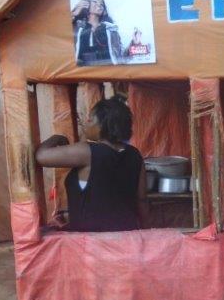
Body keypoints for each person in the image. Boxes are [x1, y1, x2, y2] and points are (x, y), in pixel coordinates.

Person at [35, 96, 148, 232]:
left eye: (90, 119)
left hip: (92, 243)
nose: (86, 123)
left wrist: (57, 137)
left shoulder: (87, 152)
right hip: (127, 235)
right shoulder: (135, 154)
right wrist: (144, 231)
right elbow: (141, 200)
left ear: (103, 124)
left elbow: (41, 156)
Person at [71, 0, 123, 65]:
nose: (99, 5)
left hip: (108, 70)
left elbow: (119, 53)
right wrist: (75, 12)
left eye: (102, 4)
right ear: (86, 4)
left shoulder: (110, 29)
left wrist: (135, 43)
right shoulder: (77, 27)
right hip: (82, 72)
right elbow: (60, 30)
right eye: (95, 2)